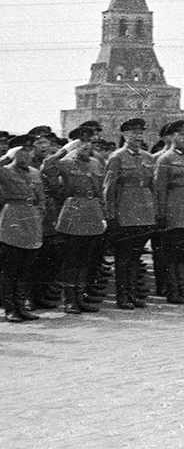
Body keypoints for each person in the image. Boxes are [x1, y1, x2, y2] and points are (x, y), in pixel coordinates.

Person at [43, 128, 108, 314]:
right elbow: (47, 167)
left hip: (92, 211)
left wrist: (103, 215)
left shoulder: (95, 163)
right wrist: (64, 149)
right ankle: (70, 300)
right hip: (73, 211)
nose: (86, 145)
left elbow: (100, 192)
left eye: (90, 142)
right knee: (72, 259)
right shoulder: (66, 162)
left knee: (86, 259)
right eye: (82, 142)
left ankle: (80, 297)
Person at [103, 118, 156, 309]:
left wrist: (154, 212)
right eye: (133, 133)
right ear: (124, 135)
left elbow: (152, 187)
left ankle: (133, 294)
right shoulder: (117, 157)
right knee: (124, 258)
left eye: (140, 133)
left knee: (135, 257)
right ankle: (123, 296)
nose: (137, 136)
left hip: (145, 212)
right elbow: (109, 188)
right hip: (125, 213)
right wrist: (110, 214)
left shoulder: (147, 158)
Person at [153, 120, 184, 305]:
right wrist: (161, 214)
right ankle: (173, 290)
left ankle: (183, 288)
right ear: (172, 137)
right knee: (172, 254)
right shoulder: (165, 159)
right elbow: (160, 189)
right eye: (180, 135)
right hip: (174, 213)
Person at [0, 135, 45, 322]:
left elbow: (41, 197)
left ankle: (22, 305)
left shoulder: (35, 172)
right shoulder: (4, 170)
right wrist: (6, 158)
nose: (26, 154)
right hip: (13, 218)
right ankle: (10, 308)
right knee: (10, 268)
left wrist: (40, 213)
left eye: (29, 150)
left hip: (32, 219)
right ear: (14, 153)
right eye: (21, 151)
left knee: (26, 268)